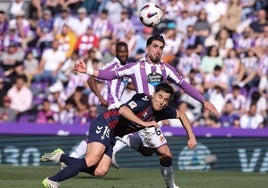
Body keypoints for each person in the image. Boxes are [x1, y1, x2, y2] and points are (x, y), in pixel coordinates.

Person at [74, 34, 219, 188]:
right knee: (165, 153)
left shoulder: (166, 69)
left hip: (155, 118)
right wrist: (88, 70)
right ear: (147, 48)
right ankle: (171, 186)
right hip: (143, 116)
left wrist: (203, 100)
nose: (158, 50)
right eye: (155, 46)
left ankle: (126, 138)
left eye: (161, 48)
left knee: (148, 152)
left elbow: (184, 85)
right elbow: (111, 75)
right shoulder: (136, 66)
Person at [41, 83, 197, 188]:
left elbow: (182, 114)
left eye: (165, 100)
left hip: (113, 134)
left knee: (100, 171)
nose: (161, 101)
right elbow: (123, 110)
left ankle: (61, 157)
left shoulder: (163, 111)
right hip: (105, 123)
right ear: (154, 94)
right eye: (160, 96)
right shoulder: (143, 99)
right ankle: (52, 180)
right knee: (91, 160)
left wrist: (191, 136)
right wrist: (144, 124)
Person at [69, 41, 130, 158]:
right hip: (109, 103)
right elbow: (90, 80)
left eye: (125, 51)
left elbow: (125, 84)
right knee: (127, 128)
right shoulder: (111, 66)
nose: (123, 54)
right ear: (116, 52)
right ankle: (111, 154)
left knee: (102, 134)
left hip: (114, 104)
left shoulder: (126, 67)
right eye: (120, 52)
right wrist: (100, 97)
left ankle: (73, 156)